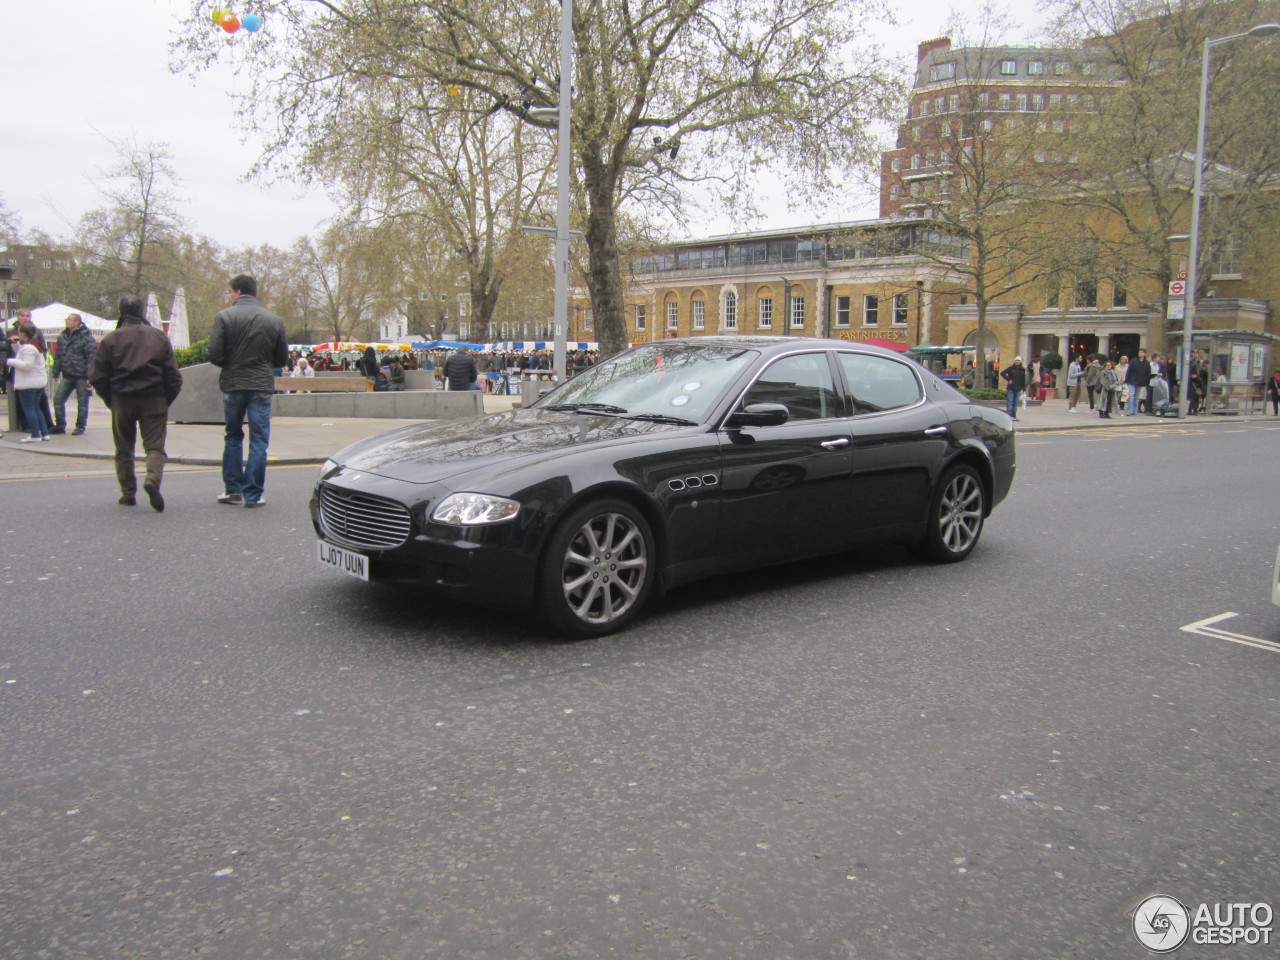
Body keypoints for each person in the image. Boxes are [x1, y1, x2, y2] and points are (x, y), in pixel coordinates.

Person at [88, 295, 183, 510]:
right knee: (155, 446)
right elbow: (174, 376)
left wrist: (111, 399)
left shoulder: (111, 339)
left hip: (122, 398)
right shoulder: (159, 337)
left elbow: (97, 376)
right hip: (154, 397)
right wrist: (165, 399)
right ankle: (152, 479)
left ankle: (128, 493)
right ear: (142, 313)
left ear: (121, 313)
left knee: (123, 449)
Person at [207, 274, 288, 508]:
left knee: (233, 435)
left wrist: (231, 365)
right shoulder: (273, 320)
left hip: (233, 384)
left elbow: (214, 353)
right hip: (261, 385)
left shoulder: (224, 317)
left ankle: (232, 489)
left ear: (237, 292)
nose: (229, 296)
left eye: (230, 292)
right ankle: (253, 494)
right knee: (259, 440)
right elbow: (281, 358)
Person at [51, 313, 97, 435]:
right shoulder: (63, 337)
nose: (67, 321)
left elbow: (91, 357)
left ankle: (80, 426)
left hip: (82, 375)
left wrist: (89, 376)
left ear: (77, 322)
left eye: (70, 319)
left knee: (82, 403)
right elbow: (59, 355)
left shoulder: (86, 338)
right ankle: (60, 424)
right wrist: (56, 371)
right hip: (68, 374)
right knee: (58, 399)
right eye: (67, 319)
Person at [6, 320, 51, 442]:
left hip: (29, 384)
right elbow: (21, 353)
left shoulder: (29, 348)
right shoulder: (33, 345)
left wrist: (9, 361)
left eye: (19, 332)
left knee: (29, 409)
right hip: (37, 382)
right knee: (37, 408)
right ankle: (44, 433)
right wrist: (15, 345)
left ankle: (35, 434)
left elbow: (27, 365)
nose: (18, 334)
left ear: (23, 333)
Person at [1124, 348, 1151, 416]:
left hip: (1140, 381)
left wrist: (1145, 379)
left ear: (1145, 354)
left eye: (1142, 352)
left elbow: (1148, 373)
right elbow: (1129, 370)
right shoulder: (1133, 361)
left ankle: (1134, 410)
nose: (1140, 353)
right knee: (1131, 396)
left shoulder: (1147, 363)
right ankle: (1129, 410)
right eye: (1139, 352)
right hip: (1132, 380)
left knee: (1136, 397)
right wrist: (1126, 380)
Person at [1000, 355, 1026, 420]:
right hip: (1011, 387)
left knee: (1015, 403)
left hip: (1018, 388)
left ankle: (1014, 416)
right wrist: (1009, 379)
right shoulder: (1011, 368)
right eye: (1016, 360)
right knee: (1010, 402)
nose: (1017, 362)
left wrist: (1024, 388)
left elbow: (1023, 380)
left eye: (1018, 360)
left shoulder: (1022, 369)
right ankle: (1009, 416)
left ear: (1021, 362)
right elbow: (1002, 373)